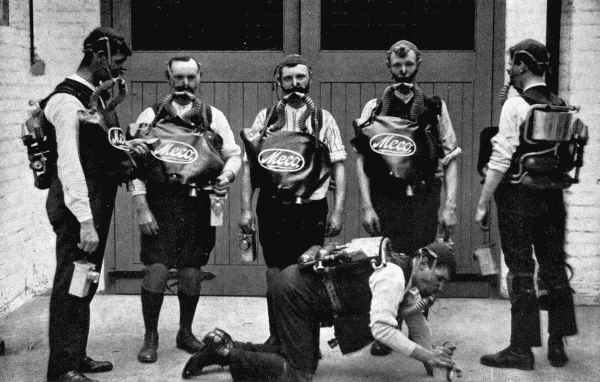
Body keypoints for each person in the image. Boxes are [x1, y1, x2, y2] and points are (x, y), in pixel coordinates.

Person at [182, 240, 458, 382]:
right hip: (298, 294)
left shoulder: (406, 274)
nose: (440, 287)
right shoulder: (394, 277)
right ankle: (227, 355)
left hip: (305, 293)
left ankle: (226, 346)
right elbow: (382, 328)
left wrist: (435, 361)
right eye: (441, 278)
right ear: (424, 262)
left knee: (302, 357)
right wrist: (425, 354)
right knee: (298, 375)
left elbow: (415, 317)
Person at [128, 56, 242, 363]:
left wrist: (226, 176)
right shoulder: (150, 116)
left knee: (192, 269)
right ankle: (150, 336)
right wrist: (142, 208)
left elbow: (234, 153)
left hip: (198, 203)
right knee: (157, 268)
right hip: (160, 202)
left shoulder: (211, 115)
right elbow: (134, 166)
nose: (185, 84)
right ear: (168, 77)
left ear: (200, 77)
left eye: (191, 77)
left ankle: (185, 331)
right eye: (179, 78)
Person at [475, 39, 578, 370]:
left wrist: (483, 201)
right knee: (553, 267)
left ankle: (521, 350)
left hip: (519, 199)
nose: (507, 69)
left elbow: (501, 157)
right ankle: (556, 345)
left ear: (522, 65)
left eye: (511, 63)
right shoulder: (560, 104)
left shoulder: (515, 106)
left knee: (521, 271)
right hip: (553, 199)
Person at [352, 40, 460, 356]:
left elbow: (451, 156)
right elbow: (361, 159)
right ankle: (388, 330)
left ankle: (417, 335)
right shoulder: (374, 109)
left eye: (408, 65)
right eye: (397, 66)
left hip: (423, 199)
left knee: (422, 265)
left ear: (418, 65)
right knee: (387, 264)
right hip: (388, 200)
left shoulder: (434, 108)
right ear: (389, 66)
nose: (402, 71)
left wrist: (449, 206)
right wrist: (367, 204)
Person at [43, 27, 133, 382]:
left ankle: (75, 355)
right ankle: (61, 369)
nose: (119, 71)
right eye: (117, 63)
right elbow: (69, 164)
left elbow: (97, 144)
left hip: (95, 200)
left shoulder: (89, 97)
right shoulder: (67, 100)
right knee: (71, 282)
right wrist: (85, 220)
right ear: (98, 56)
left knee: (86, 279)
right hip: (77, 205)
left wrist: (109, 110)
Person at [238, 54, 347, 344]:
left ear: (309, 78)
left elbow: (338, 163)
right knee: (275, 275)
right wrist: (245, 209)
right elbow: (249, 165)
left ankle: (307, 342)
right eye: (288, 78)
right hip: (273, 208)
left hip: (310, 210)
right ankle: (277, 337)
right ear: (279, 82)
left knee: (309, 274)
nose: (294, 84)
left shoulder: (323, 119)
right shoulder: (266, 118)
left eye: (300, 77)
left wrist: (337, 212)